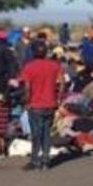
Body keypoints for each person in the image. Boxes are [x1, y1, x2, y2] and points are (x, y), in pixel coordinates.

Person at [18, 41, 63, 170]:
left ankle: (35, 160)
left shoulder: (29, 67)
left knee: (36, 133)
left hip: (35, 104)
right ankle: (46, 160)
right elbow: (62, 82)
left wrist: (26, 102)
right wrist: (58, 98)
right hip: (50, 104)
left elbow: (27, 88)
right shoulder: (54, 65)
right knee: (46, 133)